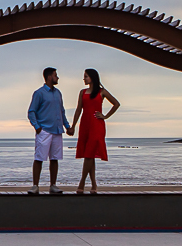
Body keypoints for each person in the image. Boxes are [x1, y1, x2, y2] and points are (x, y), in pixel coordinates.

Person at [70, 69, 120, 194]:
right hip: (85, 125)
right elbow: (78, 110)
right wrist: (73, 125)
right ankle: (93, 184)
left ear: (92, 77)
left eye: (86, 76)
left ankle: (82, 182)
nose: (84, 79)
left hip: (97, 125)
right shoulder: (82, 92)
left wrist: (105, 116)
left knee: (89, 154)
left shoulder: (101, 91)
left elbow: (116, 104)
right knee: (89, 154)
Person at [27, 67, 72, 195]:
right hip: (44, 130)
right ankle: (35, 185)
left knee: (55, 158)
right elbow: (31, 112)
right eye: (55, 75)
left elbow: (61, 111)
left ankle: (53, 185)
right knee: (39, 158)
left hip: (57, 130)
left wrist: (67, 126)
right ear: (48, 77)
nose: (57, 78)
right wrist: (37, 127)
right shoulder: (39, 93)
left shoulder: (58, 93)